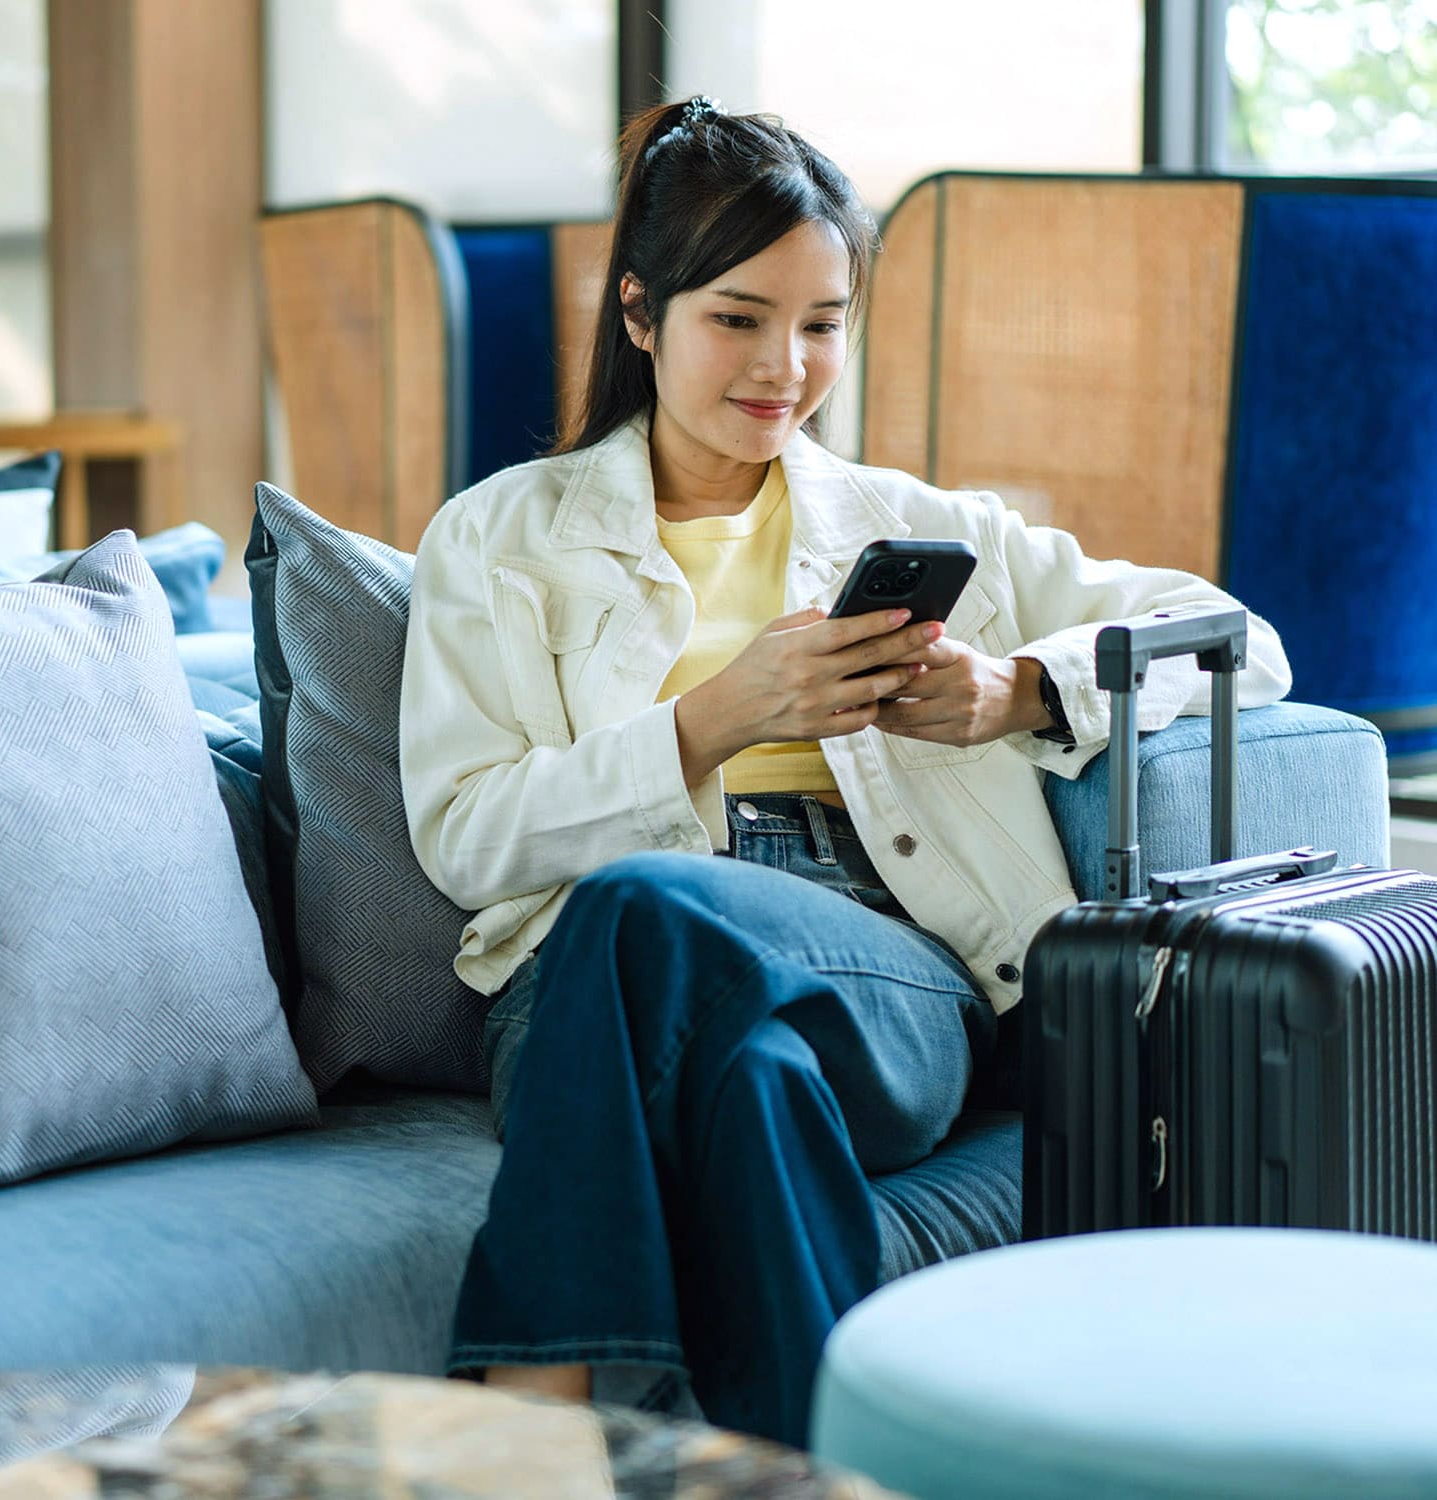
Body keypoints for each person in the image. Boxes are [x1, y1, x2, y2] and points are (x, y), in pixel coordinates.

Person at [399, 96, 1292, 1445]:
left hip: (891, 976)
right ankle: (827, 1464)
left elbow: (1239, 643)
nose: (787, 367)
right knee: (739, 1068)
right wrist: (712, 718)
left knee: (644, 908)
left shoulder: (914, 523)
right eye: (740, 318)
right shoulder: (499, 539)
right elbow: (465, 840)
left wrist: (1018, 691)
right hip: (590, 990)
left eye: (822, 324)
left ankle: (531, 1417)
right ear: (641, 315)